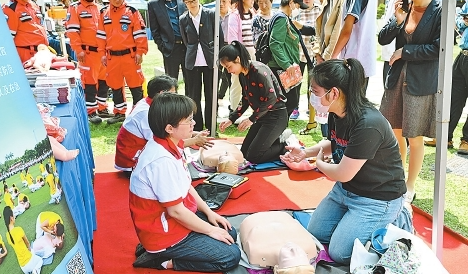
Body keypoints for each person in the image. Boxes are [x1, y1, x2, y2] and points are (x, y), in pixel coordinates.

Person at [280, 58, 413, 264]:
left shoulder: (368, 123)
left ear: (333, 93)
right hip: (345, 190)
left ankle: (399, 217)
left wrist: (317, 162)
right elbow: (335, 142)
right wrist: (305, 152)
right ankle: (355, 223)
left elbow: (343, 172)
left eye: (315, 92)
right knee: (316, 233)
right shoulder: (336, 111)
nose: (312, 97)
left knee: (340, 253)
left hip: (377, 198)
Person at [129, 92, 241, 271]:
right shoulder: (161, 161)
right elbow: (176, 212)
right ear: (169, 128)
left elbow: (185, 185)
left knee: (229, 232)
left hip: (171, 219)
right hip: (164, 231)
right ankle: (162, 259)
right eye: (188, 120)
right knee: (230, 255)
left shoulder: (169, 144)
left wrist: (209, 212)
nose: (193, 123)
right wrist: (210, 230)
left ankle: (160, 251)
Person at [378, 0, 441, 203]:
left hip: (420, 81)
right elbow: (382, 38)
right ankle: (397, 178)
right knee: (394, 132)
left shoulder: (439, 10)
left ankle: (410, 185)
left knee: (414, 136)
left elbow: (438, 48)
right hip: (396, 77)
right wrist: (397, 21)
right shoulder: (404, 6)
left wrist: (405, 52)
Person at [114, 75, 214, 175]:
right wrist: (194, 140)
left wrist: (193, 134)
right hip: (131, 163)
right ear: (162, 93)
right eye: (173, 93)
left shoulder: (150, 104)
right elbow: (163, 142)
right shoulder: (146, 113)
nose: (175, 97)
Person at [218, 41, 290, 163]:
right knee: (244, 153)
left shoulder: (259, 71)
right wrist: (232, 118)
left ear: (238, 59)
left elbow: (271, 98)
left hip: (276, 116)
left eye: (229, 66)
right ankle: (275, 140)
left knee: (254, 156)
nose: (229, 71)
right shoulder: (243, 75)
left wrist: (252, 119)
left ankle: (284, 144)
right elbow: (246, 99)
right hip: (262, 116)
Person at [424, 1, 467, 155]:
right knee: (453, 97)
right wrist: (461, 20)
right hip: (463, 56)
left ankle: (466, 140)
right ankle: (445, 137)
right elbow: (459, 26)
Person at [97, 0, 149, 124]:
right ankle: (119, 113)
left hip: (130, 56)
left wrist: (140, 52)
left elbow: (140, 32)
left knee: (135, 84)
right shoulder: (103, 13)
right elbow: (100, 35)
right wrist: (102, 53)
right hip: (112, 57)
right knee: (115, 85)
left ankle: (139, 113)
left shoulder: (132, 11)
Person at [65, 0, 115, 124]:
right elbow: (72, 31)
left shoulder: (100, 8)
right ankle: (90, 111)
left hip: (103, 52)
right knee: (89, 82)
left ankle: (102, 107)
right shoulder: (75, 8)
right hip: (87, 52)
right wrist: (78, 49)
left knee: (104, 80)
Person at [179, 0, 224, 132]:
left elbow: (219, 37)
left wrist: (219, 58)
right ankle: (196, 126)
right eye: (188, 1)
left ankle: (211, 125)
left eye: (193, 0)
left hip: (211, 60)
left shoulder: (211, 14)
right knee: (193, 95)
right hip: (192, 62)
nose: (191, 4)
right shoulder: (183, 19)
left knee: (211, 94)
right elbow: (186, 41)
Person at [308, 0, 345, 136]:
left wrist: (326, 59)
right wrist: (318, 55)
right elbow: (318, 33)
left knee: (330, 101)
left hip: (331, 61)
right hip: (322, 59)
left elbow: (336, 35)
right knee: (320, 99)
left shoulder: (340, 4)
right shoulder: (325, 4)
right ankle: (327, 137)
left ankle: (331, 138)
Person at [268, 0, 310, 117]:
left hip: (282, 68)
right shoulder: (281, 19)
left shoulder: (281, 17)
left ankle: (278, 132)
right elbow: (275, 44)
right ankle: (277, 131)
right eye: (297, 5)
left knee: (286, 103)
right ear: (291, 2)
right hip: (281, 69)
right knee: (290, 103)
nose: (298, 8)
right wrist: (287, 64)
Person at [330, 0, 377, 93]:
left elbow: (347, 31)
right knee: (358, 103)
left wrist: (332, 57)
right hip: (364, 59)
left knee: (348, 103)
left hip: (352, 59)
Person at [290, 0, 321, 120]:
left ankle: (311, 108)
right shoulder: (297, 11)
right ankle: (294, 107)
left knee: (313, 83)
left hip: (314, 53)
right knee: (296, 82)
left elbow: (317, 30)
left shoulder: (319, 10)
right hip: (299, 53)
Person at [227, 0, 256, 112]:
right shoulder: (235, 15)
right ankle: (233, 110)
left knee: (254, 82)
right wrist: (238, 57)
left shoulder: (253, 13)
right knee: (237, 83)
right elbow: (233, 39)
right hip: (240, 54)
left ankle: (255, 110)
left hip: (253, 54)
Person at [147, 0, 187, 81]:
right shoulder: (153, 4)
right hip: (170, 48)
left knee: (190, 81)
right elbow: (154, 30)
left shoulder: (183, 1)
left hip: (187, 46)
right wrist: (162, 46)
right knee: (171, 81)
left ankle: (189, 94)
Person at [4, 206, 43, 273]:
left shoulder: (7, 235)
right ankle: (35, 270)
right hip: (29, 262)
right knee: (40, 260)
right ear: (11, 218)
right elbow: (27, 244)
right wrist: (31, 252)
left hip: (23, 267)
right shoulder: (18, 230)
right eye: (13, 214)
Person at [217, 0, 233, 101]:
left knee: (230, 77)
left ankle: (232, 105)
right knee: (215, 77)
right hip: (216, 48)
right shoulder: (212, 15)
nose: (221, 4)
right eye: (219, 1)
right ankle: (215, 103)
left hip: (230, 47)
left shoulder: (233, 15)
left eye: (224, 1)